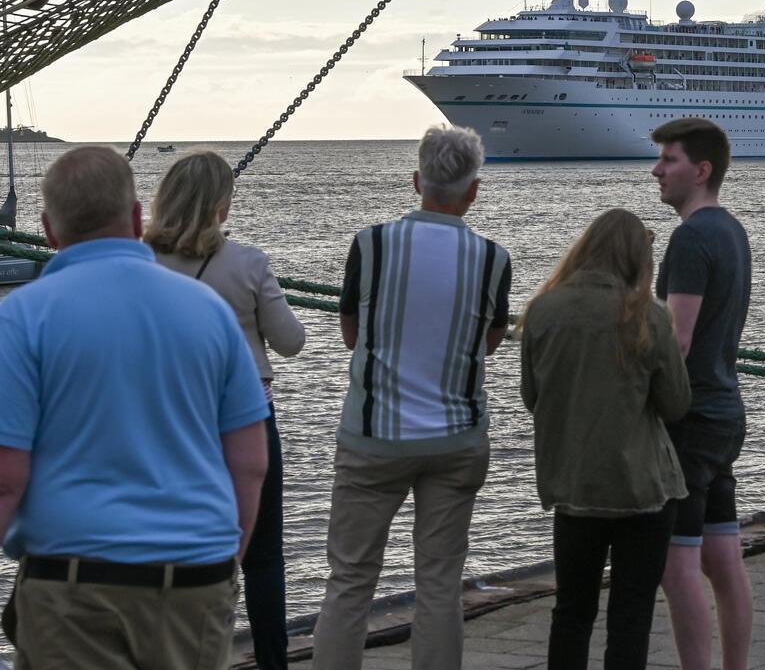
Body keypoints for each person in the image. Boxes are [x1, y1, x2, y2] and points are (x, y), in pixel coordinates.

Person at [0, 146, 268, 670]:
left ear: (48, 229)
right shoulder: (210, 312)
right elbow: (250, 464)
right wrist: (223, 561)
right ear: (138, 216)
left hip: (74, 583)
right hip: (195, 578)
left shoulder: (22, 317)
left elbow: (7, 478)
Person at [311, 126, 511, 670]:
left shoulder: (371, 244)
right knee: (441, 584)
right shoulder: (493, 259)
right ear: (473, 190)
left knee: (350, 579)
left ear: (416, 180)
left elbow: (353, 334)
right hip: (457, 437)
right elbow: (489, 344)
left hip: (376, 437)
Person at [148, 151, 306, 670]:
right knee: (262, 557)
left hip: (167, 421)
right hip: (245, 423)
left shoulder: (141, 261)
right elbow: (291, 342)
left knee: (172, 549)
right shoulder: (248, 264)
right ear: (221, 207)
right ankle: (272, 662)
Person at [521, 209, 691, 670]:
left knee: (571, 612)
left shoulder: (542, 310)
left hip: (574, 487)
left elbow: (531, 397)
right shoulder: (647, 317)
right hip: (641, 489)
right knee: (630, 617)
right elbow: (676, 404)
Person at [650, 117, 755, 670]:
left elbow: (677, 339)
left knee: (677, 565)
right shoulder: (733, 230)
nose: (657, 170)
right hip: (725, 409)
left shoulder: (691, 237)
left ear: (702, 170)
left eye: (669, 160)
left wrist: (640, 399)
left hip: (689, 417)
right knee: (722, 557)